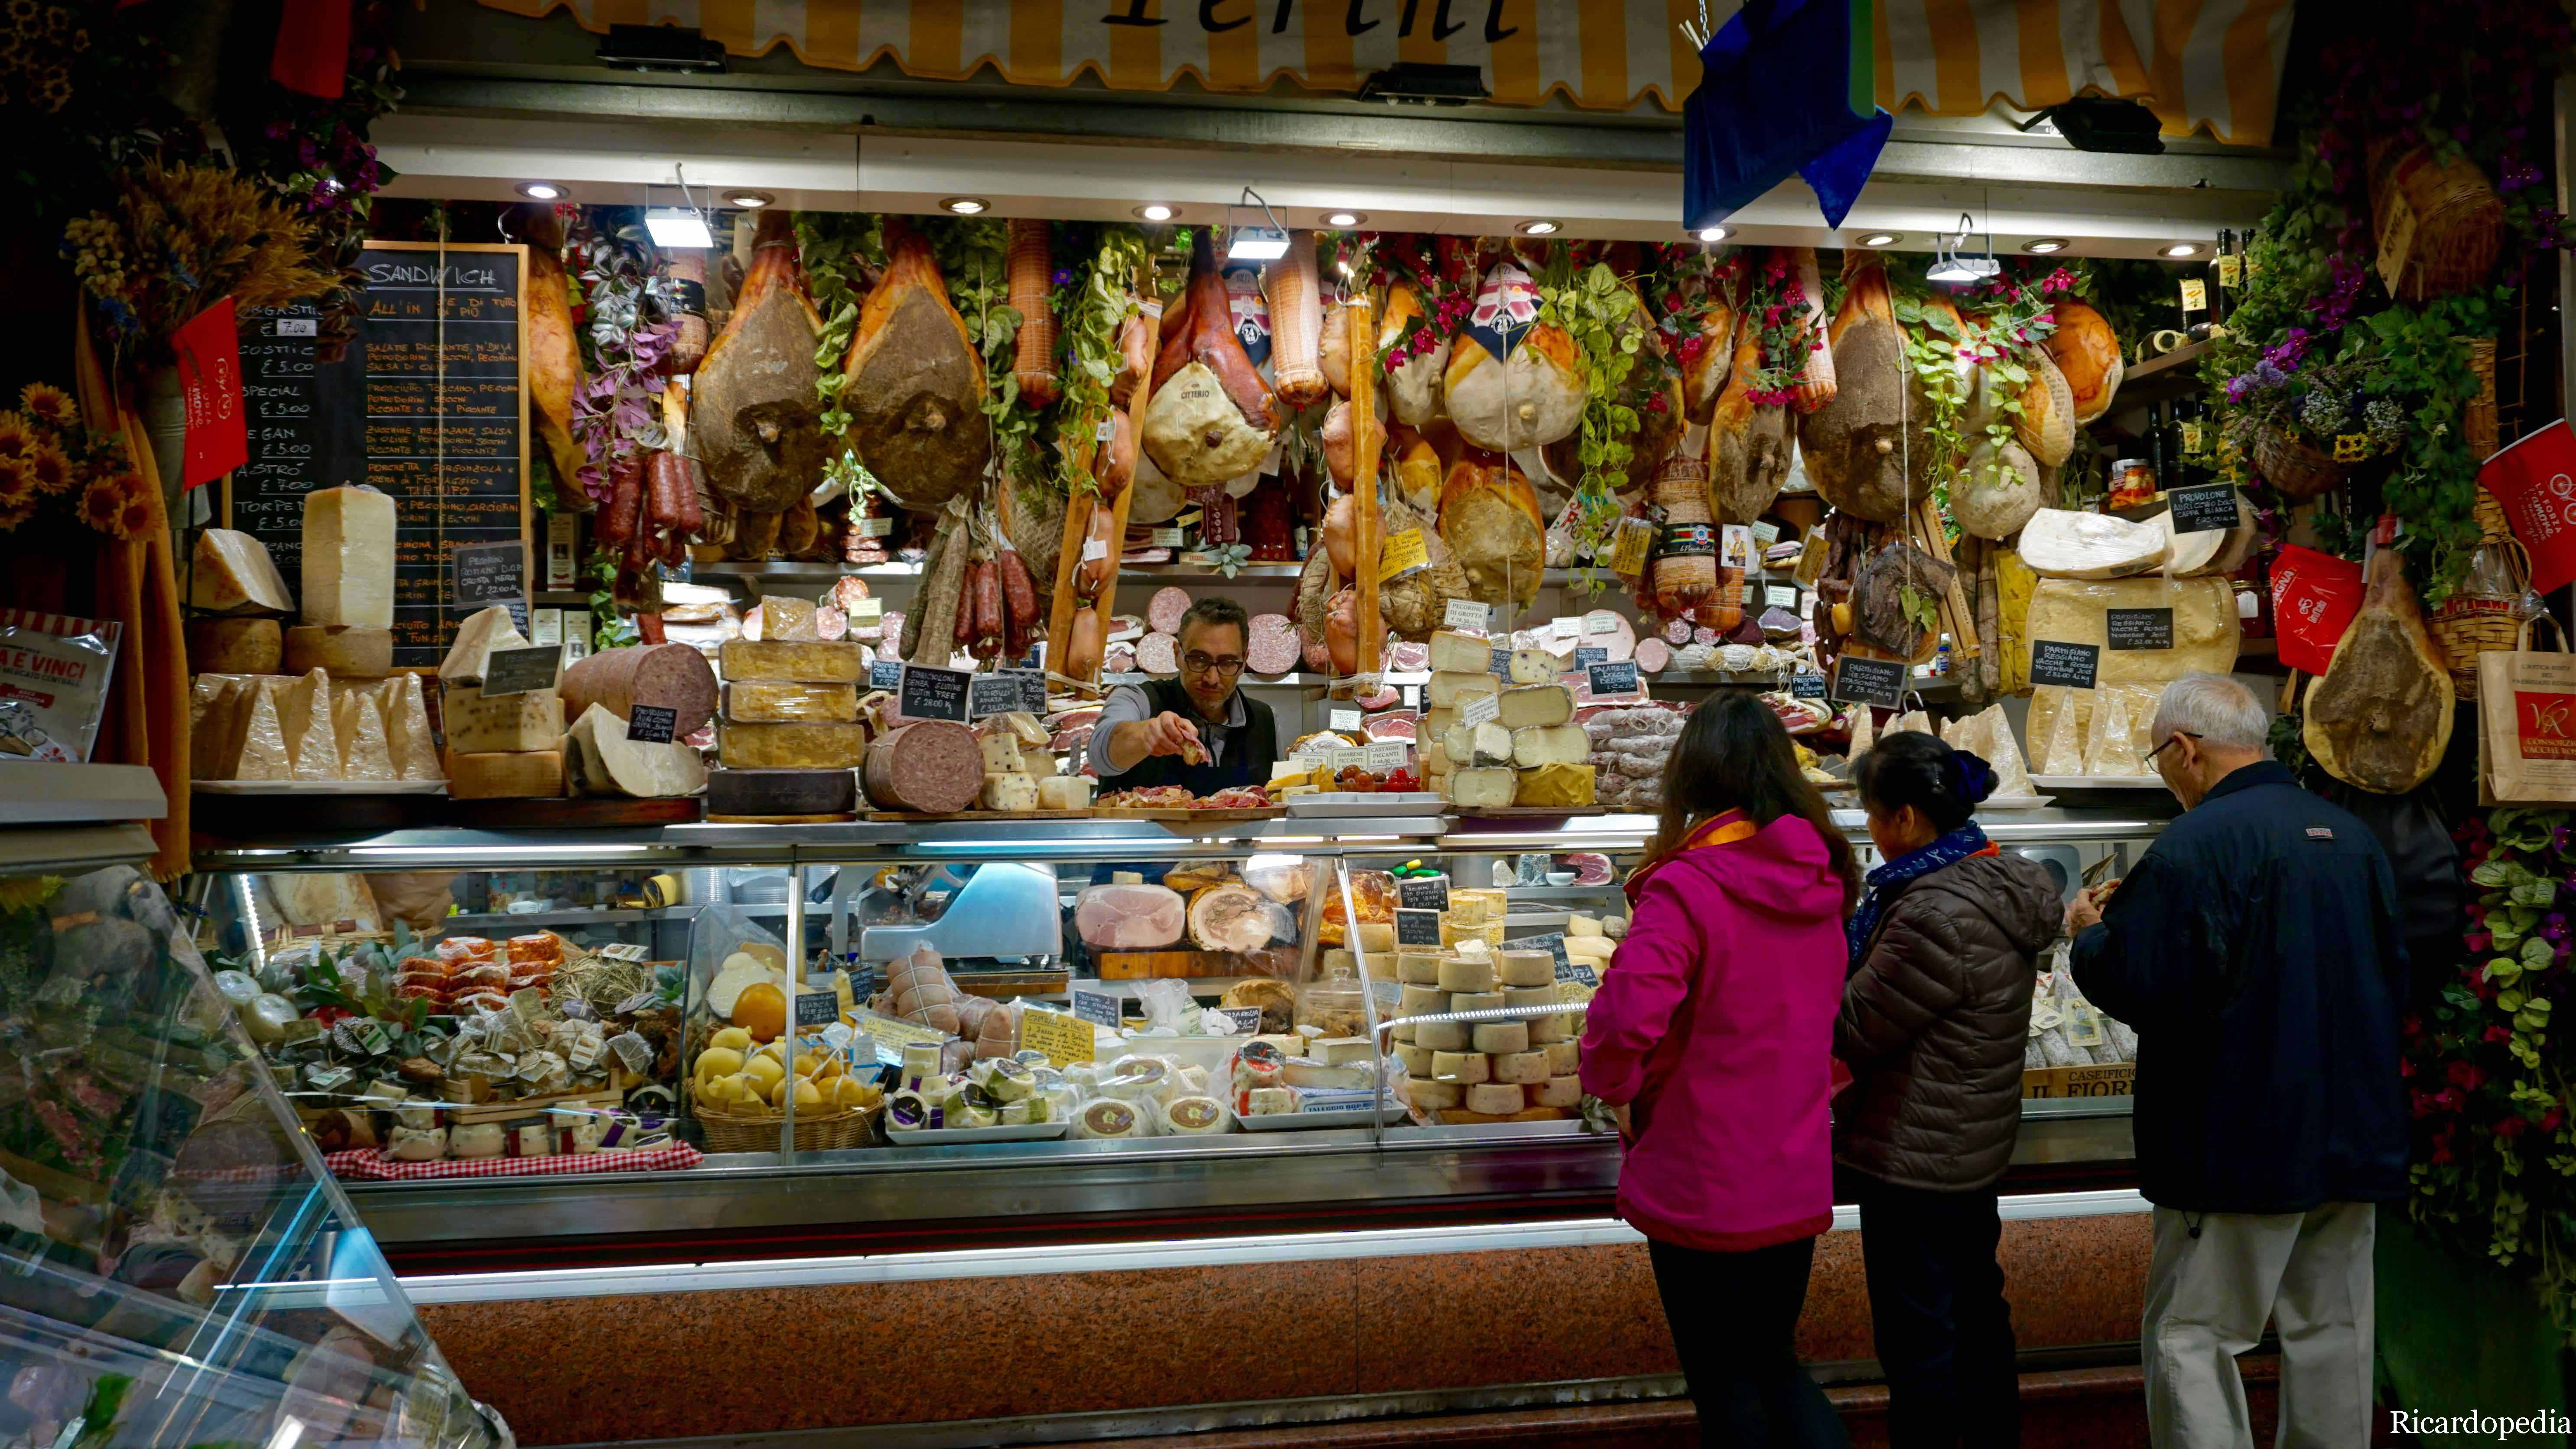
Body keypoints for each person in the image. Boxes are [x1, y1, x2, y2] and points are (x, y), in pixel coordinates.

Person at [2066, 673, 2405, 1449]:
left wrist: (2088, 934)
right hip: (2352, 1135)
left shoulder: (2192, 844)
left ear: (2184, 749)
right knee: (2333, 1329)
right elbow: (2395, 977)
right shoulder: (2349, 836)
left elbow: (2142, 982)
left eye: (2158, 757)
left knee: (2193, 1336)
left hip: (2232, 1143)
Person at [1578, 692, 1859, 1448]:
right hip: (1793, 1161)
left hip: (1701, 1169)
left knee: (1724, 1378)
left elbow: (1626, 1016)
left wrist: (1612, 1086)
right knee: (1772, 1360)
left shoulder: (1686, 885)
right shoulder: (1823, 876)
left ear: (1690, 773)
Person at [1835, 731, 2061, 1448]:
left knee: (1920, 1339)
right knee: (1975, 1316)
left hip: (1915, 1155)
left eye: (1872, 814)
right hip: (1968, 1144)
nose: (1870, 829)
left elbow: (1852, 1027)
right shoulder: (1988, 876)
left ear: (1905, 818)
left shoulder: (1931, 912)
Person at [1086, 597, 1279, 791]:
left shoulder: (1264, 719)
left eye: (1228, 663)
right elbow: (1100, 753)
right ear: (1177, 654)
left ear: (1244, 662)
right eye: (1199, 660)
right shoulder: (1138, 699)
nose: (1212, 678)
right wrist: (1147, 734)